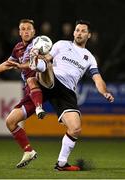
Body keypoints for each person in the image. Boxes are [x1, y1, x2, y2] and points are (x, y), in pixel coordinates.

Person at [8, 20, 114, 171]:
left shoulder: (89, 57)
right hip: (48, 82)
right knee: (12, 120)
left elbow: (97, 78)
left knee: (75, 128)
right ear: (73, 32)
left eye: (83, 31)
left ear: (89, 35)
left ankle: (62, 164)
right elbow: (47, 59)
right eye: (77, 30)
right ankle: (35, 63)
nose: (79, 33)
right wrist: (35, 61)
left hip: (65, 92)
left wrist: (105, 92)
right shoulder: (61, 44)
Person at [0, 19, 46, 168]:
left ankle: (39, 107)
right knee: (10, 122)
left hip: (45, 83)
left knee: (31, 78)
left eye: (29, 29)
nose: (26, 31)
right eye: (23, 29)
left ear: (34, 32)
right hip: (31, 92)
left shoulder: (39, 43)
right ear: (19, 32)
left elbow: (46, 59)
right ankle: (28, 151)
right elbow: (8, 64)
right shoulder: (18, 48)